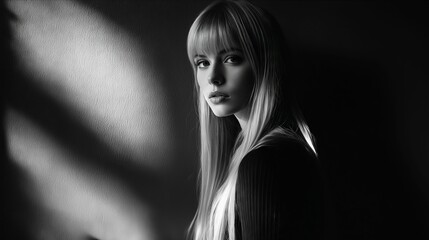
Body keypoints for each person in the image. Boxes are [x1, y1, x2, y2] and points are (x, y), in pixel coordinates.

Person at [186, 0, 324, 239]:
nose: (213, 78)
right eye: (202, 63)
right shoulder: (275, 152)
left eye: (232, 58)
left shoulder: (266, 160)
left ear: (264, 64)